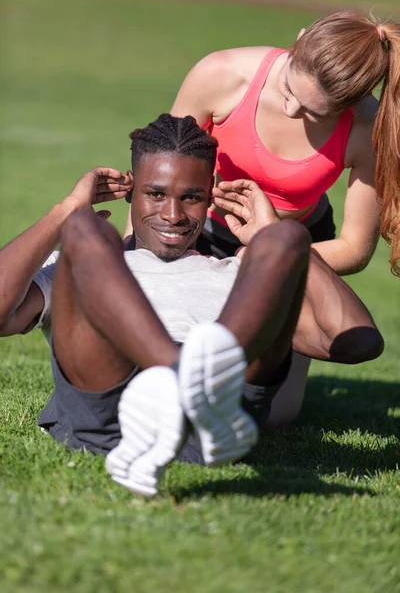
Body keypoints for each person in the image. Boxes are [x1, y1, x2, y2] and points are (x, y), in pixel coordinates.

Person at [0, 114, 383, 497]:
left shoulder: (236, 273)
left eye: (191, 198)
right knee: (86, 229)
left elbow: (358, 342)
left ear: (211, 195)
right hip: (111, 398)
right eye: (155, 194)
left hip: (217, 407)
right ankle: (181, 376)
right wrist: (67, 210)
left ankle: (190, 386)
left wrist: (273, 234)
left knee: (286, 237)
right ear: (130, 191)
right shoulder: (90, 263)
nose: (173, 215)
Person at [160, 10, 400, 278]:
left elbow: (354, 249)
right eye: (288, 88)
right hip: (200, 233)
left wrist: (276, 253)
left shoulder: (369, 127)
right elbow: (158, 174)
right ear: (300, 39)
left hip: (301, 245)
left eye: (315, 113)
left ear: (357, 100)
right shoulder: (219, 75)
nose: (291, 110)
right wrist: (134, 250)